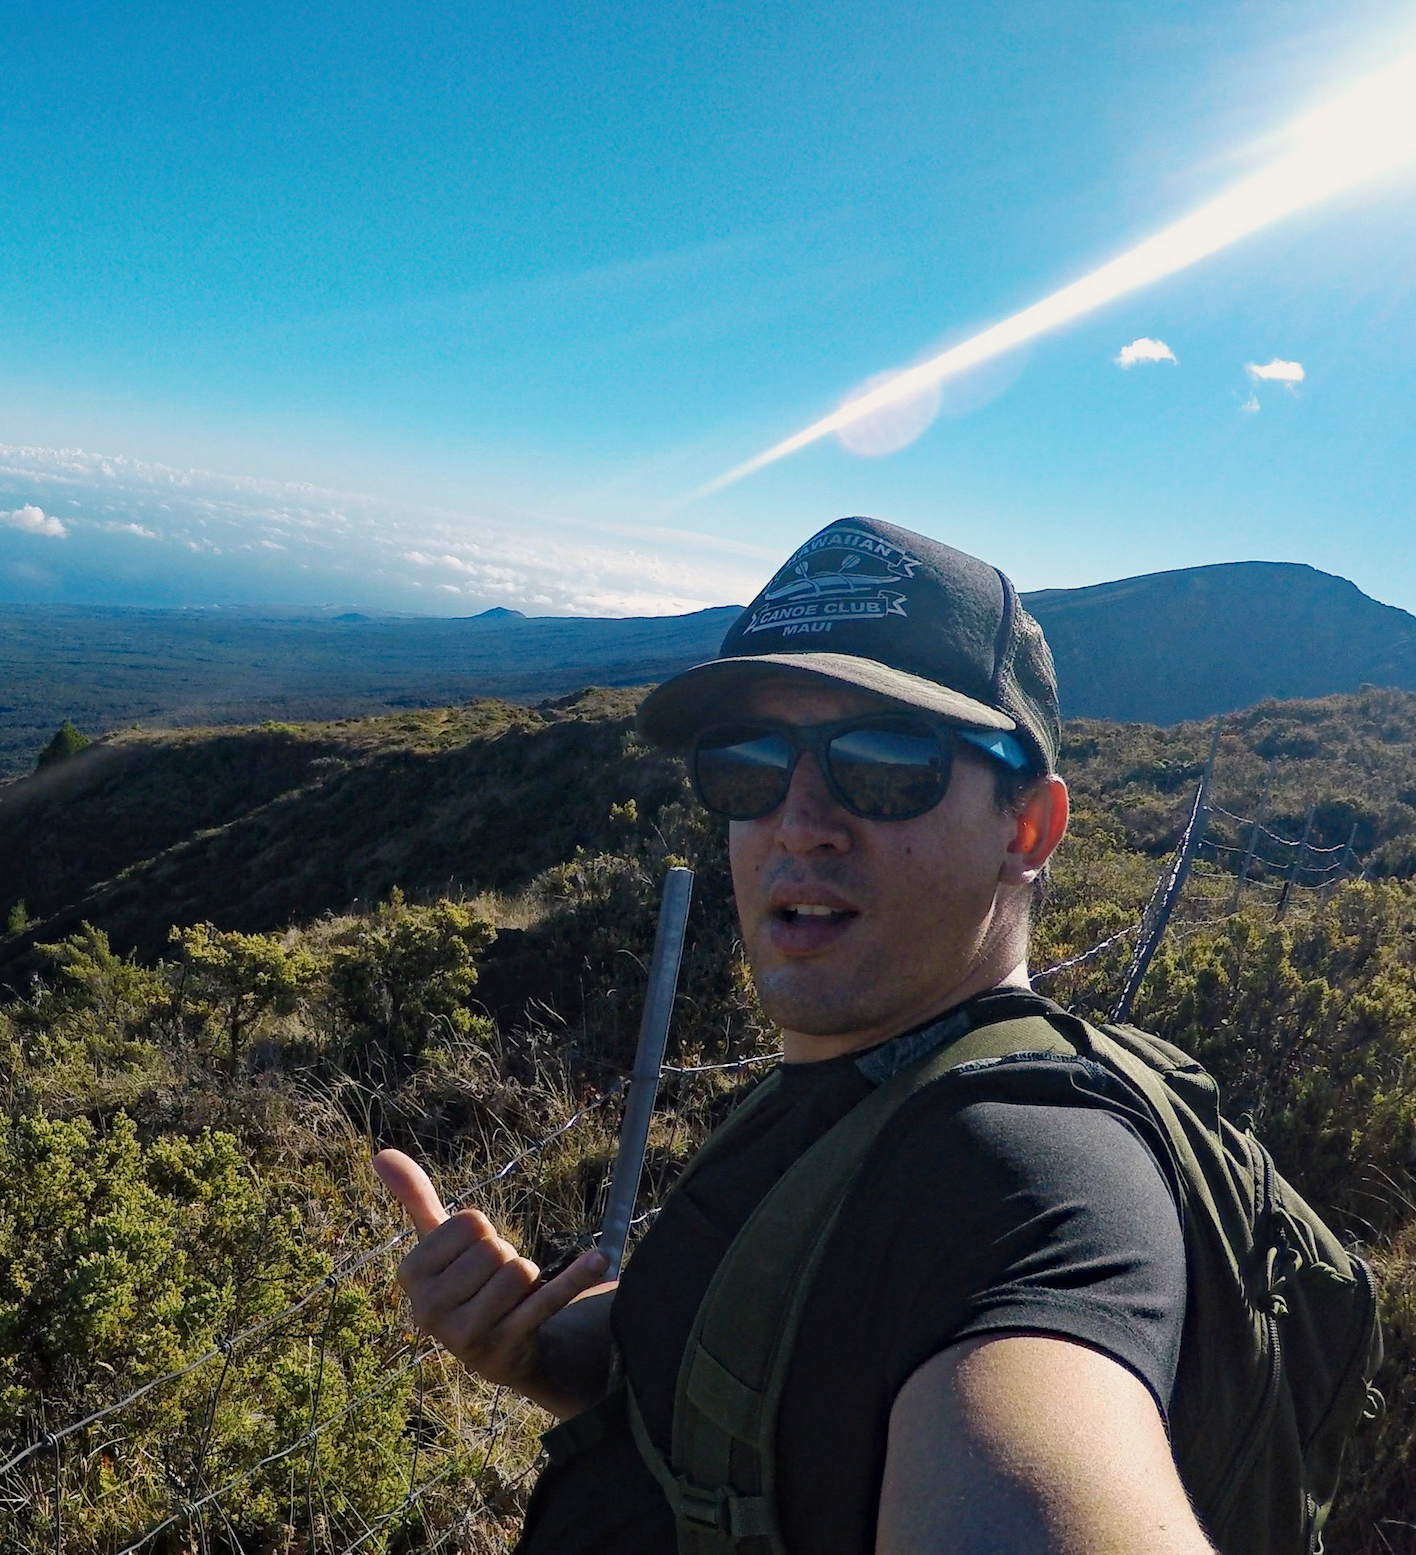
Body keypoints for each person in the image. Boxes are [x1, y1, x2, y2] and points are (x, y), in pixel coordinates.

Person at [373, 517, 1213, 1554]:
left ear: (1027, 828)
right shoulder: (851, 1089)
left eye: (887, 763)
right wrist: (572, 1357)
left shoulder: (1034, 1180)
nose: (798, 817)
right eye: (748, 766)